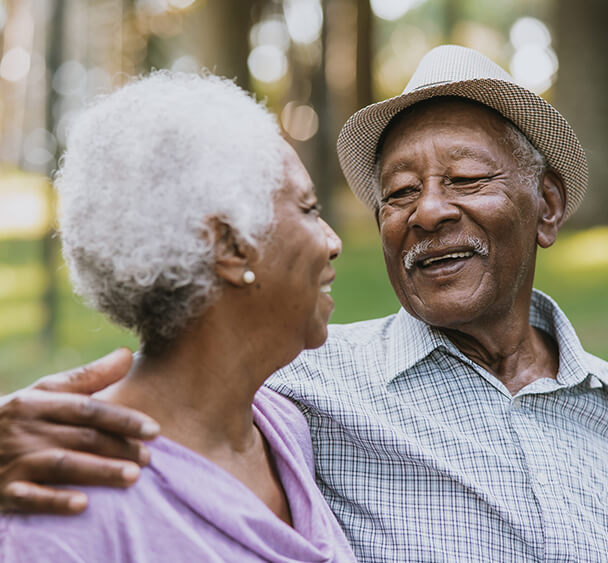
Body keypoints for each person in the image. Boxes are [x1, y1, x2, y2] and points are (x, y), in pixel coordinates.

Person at [1, 46, 608, 562]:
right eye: (396, 193)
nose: (426, 212)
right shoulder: (305, 388)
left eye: (465, 178)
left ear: (545, 207)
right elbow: (177, 361)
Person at [0, 71, 356, 562]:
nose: (334, 242)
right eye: (309, 208)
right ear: (230, 245)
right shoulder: (70, 499)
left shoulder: (282, 428)